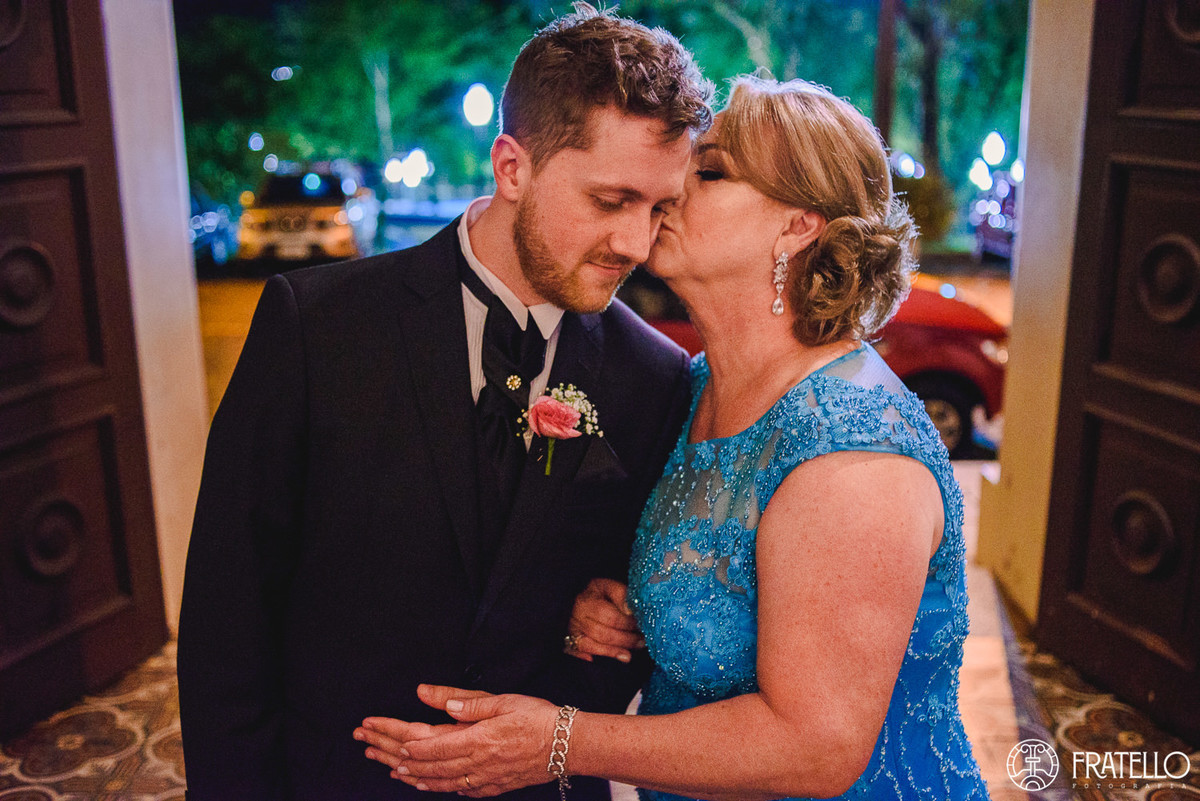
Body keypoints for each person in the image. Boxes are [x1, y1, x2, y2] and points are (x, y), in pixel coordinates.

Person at [354, 76, 992, 801]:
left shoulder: (852, 455)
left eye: (710, 171)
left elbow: (816, 748)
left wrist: (559, 740)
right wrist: (620, 606)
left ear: (799, 225)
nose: (673, 186)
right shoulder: (691, 387)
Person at [176, 6, 713, 800]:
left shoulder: (656, 374)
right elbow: (230, 608)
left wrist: (585, 649)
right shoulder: (315, 325)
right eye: (610, 200)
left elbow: (632, 618)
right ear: (512, 168)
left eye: (660, 208)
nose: (637, 244)